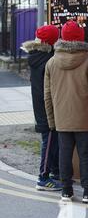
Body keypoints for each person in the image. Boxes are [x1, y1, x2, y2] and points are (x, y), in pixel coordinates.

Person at [44, 21, 88, 203]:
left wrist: (52, 121)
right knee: (85, 154)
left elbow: (47, 96)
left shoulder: (51, 63)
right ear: (81, 38)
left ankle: (66, 191)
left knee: (64, 153)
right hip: (85, 117)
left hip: (62, 116)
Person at [21, 25, 62, 191]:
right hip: (47, 108)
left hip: (40, 105)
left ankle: (54, 172)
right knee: (49, 141)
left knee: (52, 140)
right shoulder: (48, 60)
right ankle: (43, 178)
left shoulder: (36, 56)